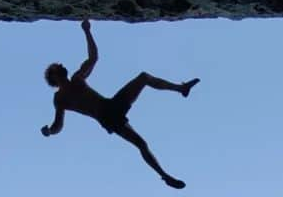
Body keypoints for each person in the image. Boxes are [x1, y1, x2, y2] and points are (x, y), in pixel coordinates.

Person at [41, 20, 199, 188]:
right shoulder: (60, 99)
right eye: (58, 67)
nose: (63, 65)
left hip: (112, 104)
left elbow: (93, 58)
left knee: (144, 77)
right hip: (106, 117)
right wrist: (50, 131)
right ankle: (165, 176)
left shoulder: (77, 78)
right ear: (54, 76)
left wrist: (87, 31)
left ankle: (181, 88)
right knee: (141, 144)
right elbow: (58, 125)